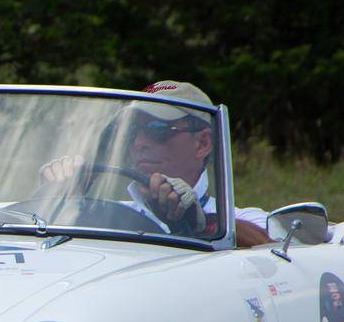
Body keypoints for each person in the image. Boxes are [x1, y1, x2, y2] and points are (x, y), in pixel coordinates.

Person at [41, 81, 270, 246]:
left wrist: (197, 223)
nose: (139, 143)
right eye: (132, 132)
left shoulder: (245, 220)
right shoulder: (108, 216)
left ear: (202, 143)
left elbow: (271, 255)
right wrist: (62, 199)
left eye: (156, 130)